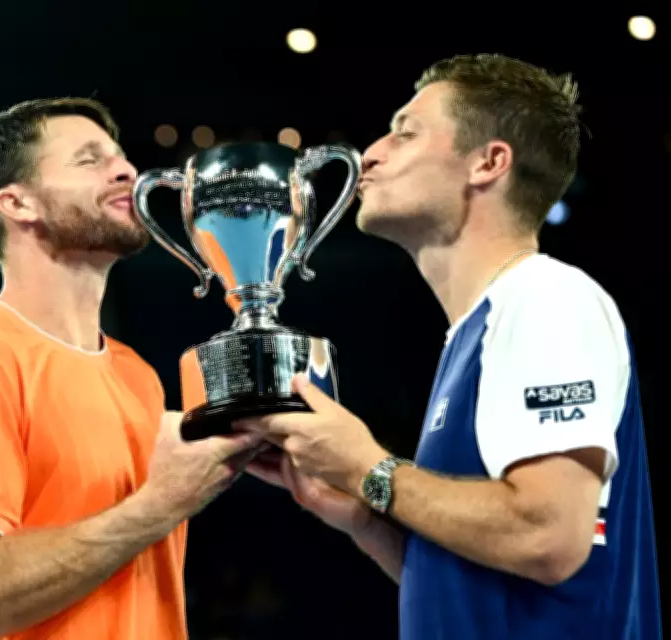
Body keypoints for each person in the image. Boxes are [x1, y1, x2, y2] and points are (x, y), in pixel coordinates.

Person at [241, 54, 661, 639]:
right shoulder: (475, 330)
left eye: (406, 131)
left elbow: (548, 539)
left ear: (488, 162)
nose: (373, 153)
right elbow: (465, 579)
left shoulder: (546, 297)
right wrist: (365, 516)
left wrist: (370, 466)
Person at [0, 97, 263, 640]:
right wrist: (159, 505)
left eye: (120, 157)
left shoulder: (136, 374)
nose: (126, 171)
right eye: (89, 160)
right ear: (18, 203)